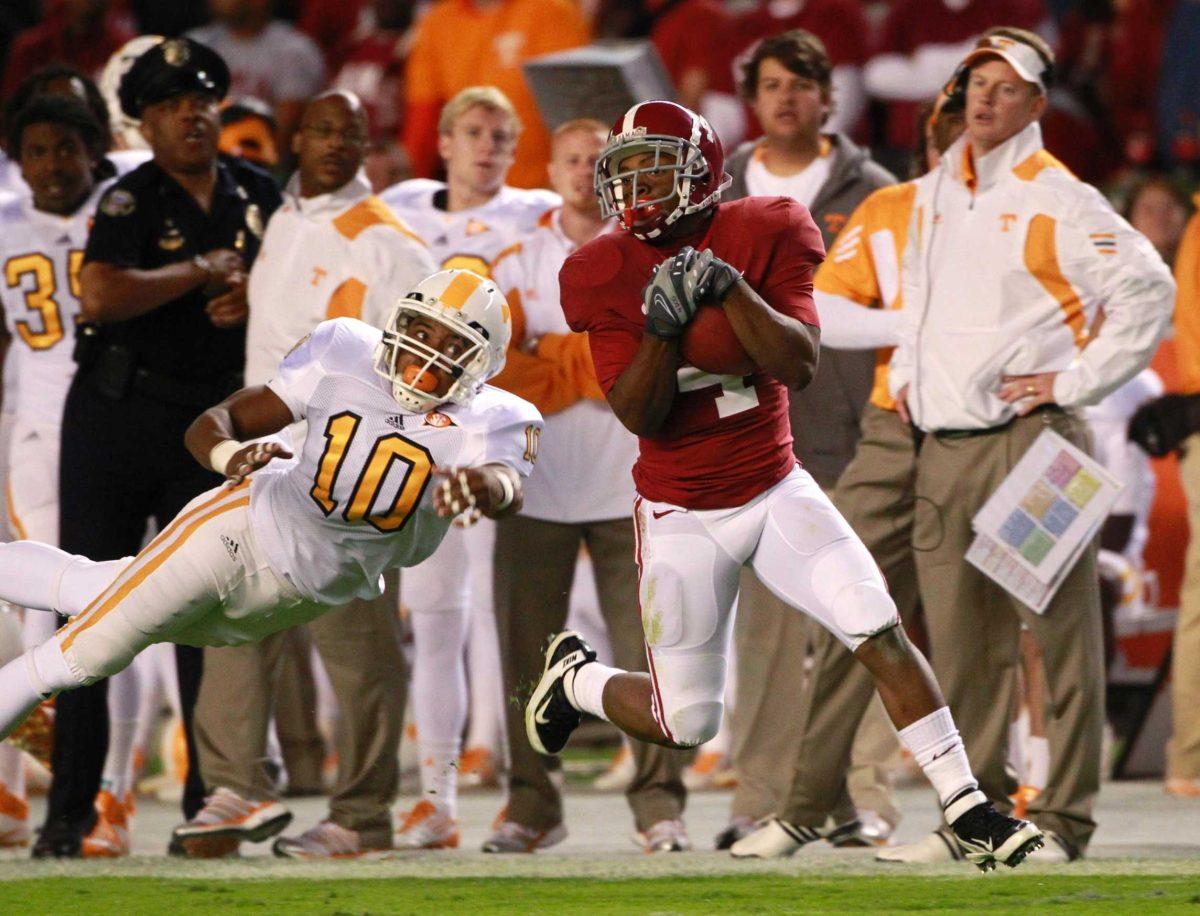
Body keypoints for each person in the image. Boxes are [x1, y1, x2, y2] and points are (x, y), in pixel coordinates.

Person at [535, 98, 1044, 873]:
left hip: (775, 489)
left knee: (877, 627)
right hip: (680, 511)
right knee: (688, 723)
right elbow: (640, 412)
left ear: (702, 173)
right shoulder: (600, 269)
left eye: (655, 168)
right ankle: (578, 682)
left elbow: (798, 361)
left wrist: (731, 289)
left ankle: (968, 807)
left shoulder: (764, 226)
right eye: (625, 170)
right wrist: (666, 330)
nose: (636, 187)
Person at [0, 271, 543, 853]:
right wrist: (233, 454)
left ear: (482, 364)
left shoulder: (497, 417)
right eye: (421, 331)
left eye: (451, 345)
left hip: (294, 596)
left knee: (93, 590)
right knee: (86, 653)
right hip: (239, 533)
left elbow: (507, 484)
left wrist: (482, 488)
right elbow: (214, 423)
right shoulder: (345, 352)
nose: (424, 356)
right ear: (398, 321)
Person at [886, 29, 1174, 862]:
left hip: (1035, 442)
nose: (985, 96)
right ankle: (972, 821)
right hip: (945, 444)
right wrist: (909, 371)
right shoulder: (940, 187)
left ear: (1039, 104)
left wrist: (1076, 381)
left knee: (1058, 639)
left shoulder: (1061, 194)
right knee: (963, 652)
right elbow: (919, 298)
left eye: (1007, 86)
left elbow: (1148, 286)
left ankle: (1063, 820)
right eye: (976, 81)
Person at [44, 36, 281, 859]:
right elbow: (101, 293)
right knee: (88, 611)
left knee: (205, 612)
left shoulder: (260, 190)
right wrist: (202, 270)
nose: (196, 113)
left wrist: (253, 291)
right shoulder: (128, 198)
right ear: (143, 121)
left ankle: (204, 807)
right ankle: (67, 816)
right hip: (117, 421)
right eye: (176, 103)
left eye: (206, 99)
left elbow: (293, 285)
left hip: (210, 434)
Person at [188, 90, 438, 860]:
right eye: (324, 129)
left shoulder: (392, 242)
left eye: (352, 135)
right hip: (262, 458)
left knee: (355, 645)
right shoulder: (283, 216)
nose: (336, 145)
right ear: (299, 137)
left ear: (368, 146)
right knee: (228, 614)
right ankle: (235, 788)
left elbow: (428, 366)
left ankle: (362, 815)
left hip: (341, 467)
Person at [729, 95, 968, 860]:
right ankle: (799, 804)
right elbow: (826, 307)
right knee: (852, 619)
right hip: (878, 428)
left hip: (991, 433)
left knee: (970, 625)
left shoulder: (1042, 203)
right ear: (931, 148)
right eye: (953, 139)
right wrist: (918, 327)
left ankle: (972, 808)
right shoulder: (891, 204)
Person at [484, 118, 689, 853]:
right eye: (572, 159)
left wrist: (553, 356)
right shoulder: (510, 259)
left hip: (632, 485)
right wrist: (597, 362)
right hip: (535, 485)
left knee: (654, 653)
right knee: (524, 656)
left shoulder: (655, 252)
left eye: (598, 160)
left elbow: (658, 360)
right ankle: (531, 807)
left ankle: (659, 805)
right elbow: (497, 371)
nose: (583, 172)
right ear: (550, 168)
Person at [718, 29, 898, 847]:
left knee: (860, 621)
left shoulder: (878, 191)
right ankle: (758, 798)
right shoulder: (715, 191)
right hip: (752, 436)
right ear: (752, 99)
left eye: (803, 83)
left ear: (830, 97)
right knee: (763, 632)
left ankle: (865, 800)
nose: (787, 97)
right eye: (773, 84)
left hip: (857, 433)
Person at [380, 86, 558, 850]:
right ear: (445, 140)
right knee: (429, 610)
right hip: (407, 424)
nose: (487, 148)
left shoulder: (535, 213)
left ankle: (478, 752)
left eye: (500, 137)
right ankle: (436, 789)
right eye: (474, 132)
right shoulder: (399, 208)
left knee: (482, 607)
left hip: (488, 427)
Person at [0, 94, 116, 853]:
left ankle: (115, 793)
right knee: (39, 609)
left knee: (115, 609)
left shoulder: (129, 200)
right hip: (37, 429)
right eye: (36, 151)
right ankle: (15, 792)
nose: (51, 165)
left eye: (65, 149)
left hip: (110, 422)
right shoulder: (7, 222)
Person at [402, 0, 590, 189]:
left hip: (543, 193)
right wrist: (409, 194)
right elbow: (422, 124)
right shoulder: (437, 21)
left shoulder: (550, 10)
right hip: (471, 194)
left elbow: (576, 111)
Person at [188, 0, 326, 152]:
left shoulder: (294, 50)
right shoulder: (196, 44)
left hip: (264, 159)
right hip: (202, 155)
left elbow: (285, 133)